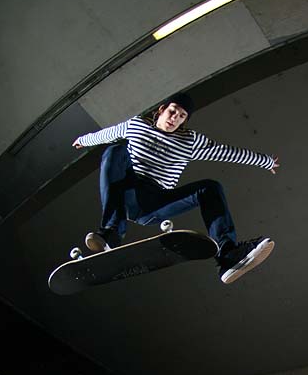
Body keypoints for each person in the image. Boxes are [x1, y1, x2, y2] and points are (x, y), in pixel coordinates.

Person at [72, 92, 280, 284]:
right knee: (115, 150)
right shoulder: (136, 125)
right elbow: (108, 133)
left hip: (155, 204)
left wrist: (265, 162)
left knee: (210, 187)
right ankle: (111, 232)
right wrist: (83, 140)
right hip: (127, 193)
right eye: (172, 112)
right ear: (161, 110)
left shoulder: (189, 141)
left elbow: (225, 152)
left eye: (181, 116)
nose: (175, 119)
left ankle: (228, 255)